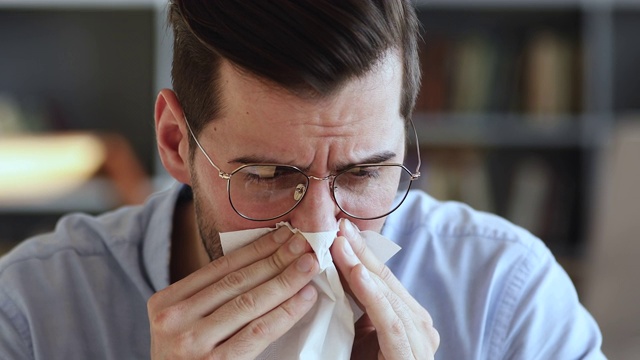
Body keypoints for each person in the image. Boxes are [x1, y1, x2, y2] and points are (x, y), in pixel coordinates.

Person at [0, 1, 604, 359]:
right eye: (266, 175)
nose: (318, 229)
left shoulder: (507, 294)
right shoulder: (33, 310)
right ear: (176, 144)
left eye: (365, 173)